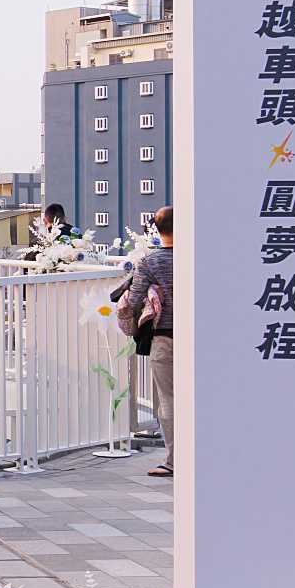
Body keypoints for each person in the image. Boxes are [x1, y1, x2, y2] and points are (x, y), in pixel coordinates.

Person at [118, 205, 174, 478]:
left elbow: (134, 300)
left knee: (169, 400)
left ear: (156, 229)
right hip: (201, 338)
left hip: (165, 337)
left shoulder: (151, 262)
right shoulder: (198, 257)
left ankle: (176, 460)